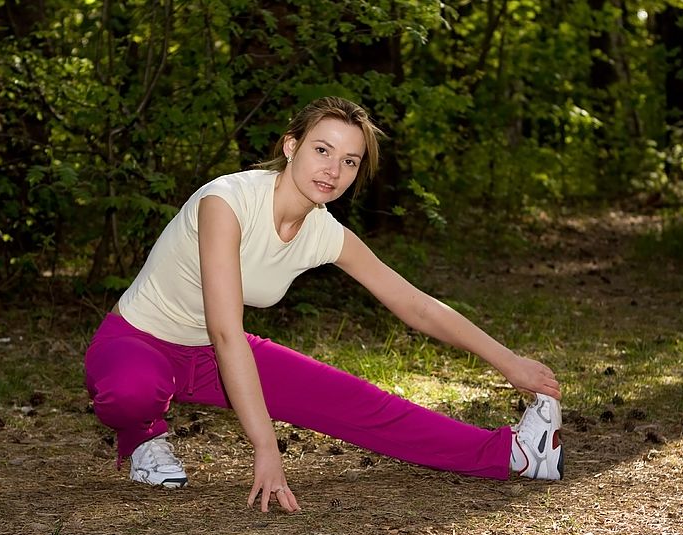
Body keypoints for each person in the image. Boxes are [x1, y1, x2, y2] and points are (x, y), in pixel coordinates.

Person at [84, 96, 564, 513]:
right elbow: (226, 331)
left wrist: (510, 362)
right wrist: (265, 446)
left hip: (214, 356)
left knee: (362, 404)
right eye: (322, 150)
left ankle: (514, 454)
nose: (333, 171)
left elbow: (414, 305)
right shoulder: (226, 202)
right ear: (290, 146)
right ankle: (143, 436)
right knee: (131, 389)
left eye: (350, 162)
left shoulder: (324, 233)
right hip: (138, 341)